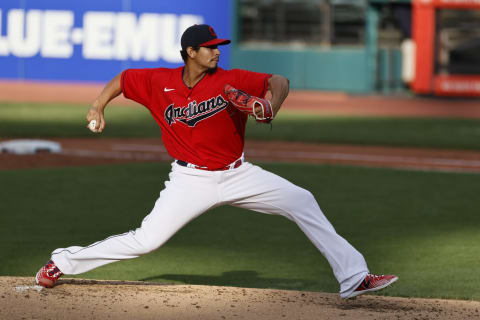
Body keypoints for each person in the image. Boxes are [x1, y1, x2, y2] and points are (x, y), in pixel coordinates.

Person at [35, 24, 397, 299]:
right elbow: (124, 80)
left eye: (218, 47)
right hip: (189, 181)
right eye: (209, 48)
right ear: (190, 52)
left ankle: (354, 278)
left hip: (239, 174)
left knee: (302, 200)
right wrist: (98, 105)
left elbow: (279, 80)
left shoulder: (231, 79)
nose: (217, 52)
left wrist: (271, 104)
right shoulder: (158, 81)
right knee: (146, 241)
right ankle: (62, 262)